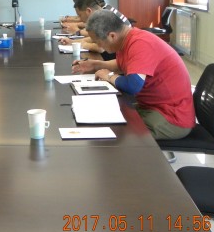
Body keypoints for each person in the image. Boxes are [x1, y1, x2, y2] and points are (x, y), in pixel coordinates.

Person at [72, 10, 195, 140]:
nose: (98, 45)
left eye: (98, 42)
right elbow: (123, 64)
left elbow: (132, 85)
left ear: (112, 36)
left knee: (117, 135)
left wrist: (109, 76)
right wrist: (96, 65)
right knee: (105, 117)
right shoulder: (127, 38)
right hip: (151, 106)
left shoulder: (140, 43)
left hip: (171, 116)